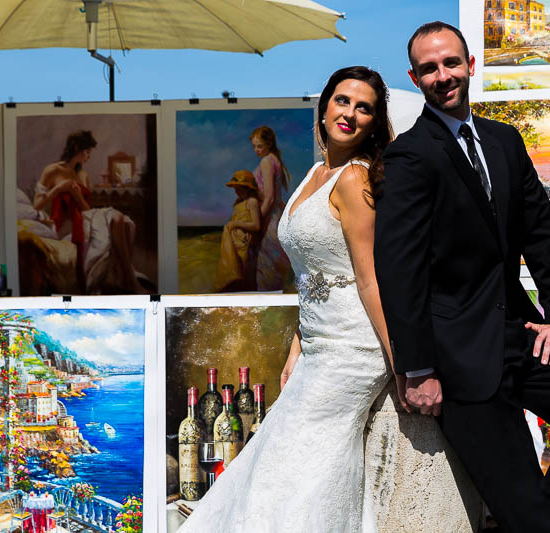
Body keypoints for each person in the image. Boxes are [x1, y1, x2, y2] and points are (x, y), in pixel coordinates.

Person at [373, 22, 550, 532]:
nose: (442, 76)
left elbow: (540, 229)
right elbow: (398, 270)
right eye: (429, 69)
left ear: (471, 65)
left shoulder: (504, 140)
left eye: (451, 63)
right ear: (414, 76)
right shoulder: (410, 155)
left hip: (520, 336)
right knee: (526, 512)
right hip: (458, 357)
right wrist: (418, 368)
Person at [178, 66, 403, 532]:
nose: (350, 113)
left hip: (353, 349)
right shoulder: (315, 174)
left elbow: (368, 279)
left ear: (374, 122)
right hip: (317, 344)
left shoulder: (354, 180)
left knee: (300, 459)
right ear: (323, 110)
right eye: (342, 101)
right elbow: (311, 275)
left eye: (364, 108)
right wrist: (298, 344)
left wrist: (402, 363)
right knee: (282, 453)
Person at [32, 130, 146, 294]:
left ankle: (128, 280)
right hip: (66, 224)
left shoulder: (83, 175)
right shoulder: (52, 170)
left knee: (121, 221)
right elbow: (36, 205)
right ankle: (131, 282)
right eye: (87, 152)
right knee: (116, 218)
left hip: (85, 219)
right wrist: (58, 189)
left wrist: (77, 196)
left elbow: (87, 209)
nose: (89, 156)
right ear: (77, 148)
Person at [249, 126, 292, 290]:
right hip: (277, 217)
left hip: (270, 220)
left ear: (269, 144)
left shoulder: (267, 161)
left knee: (267, 269)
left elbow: (270, 197)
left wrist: (257, 221)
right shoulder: (275, 159)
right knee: (274, 269)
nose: (256, 150)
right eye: (254, 146)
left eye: (259, 146)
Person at [213, 170, 262, 292]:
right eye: (235, 188)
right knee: (236, 272)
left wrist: (235, 224)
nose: (235, 191)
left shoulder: (252, 202)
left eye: (238, 188)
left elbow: (256, 226)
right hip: (235, 244)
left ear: (246, 188)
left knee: (245, 276)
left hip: (245, 244)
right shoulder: (239, 204)